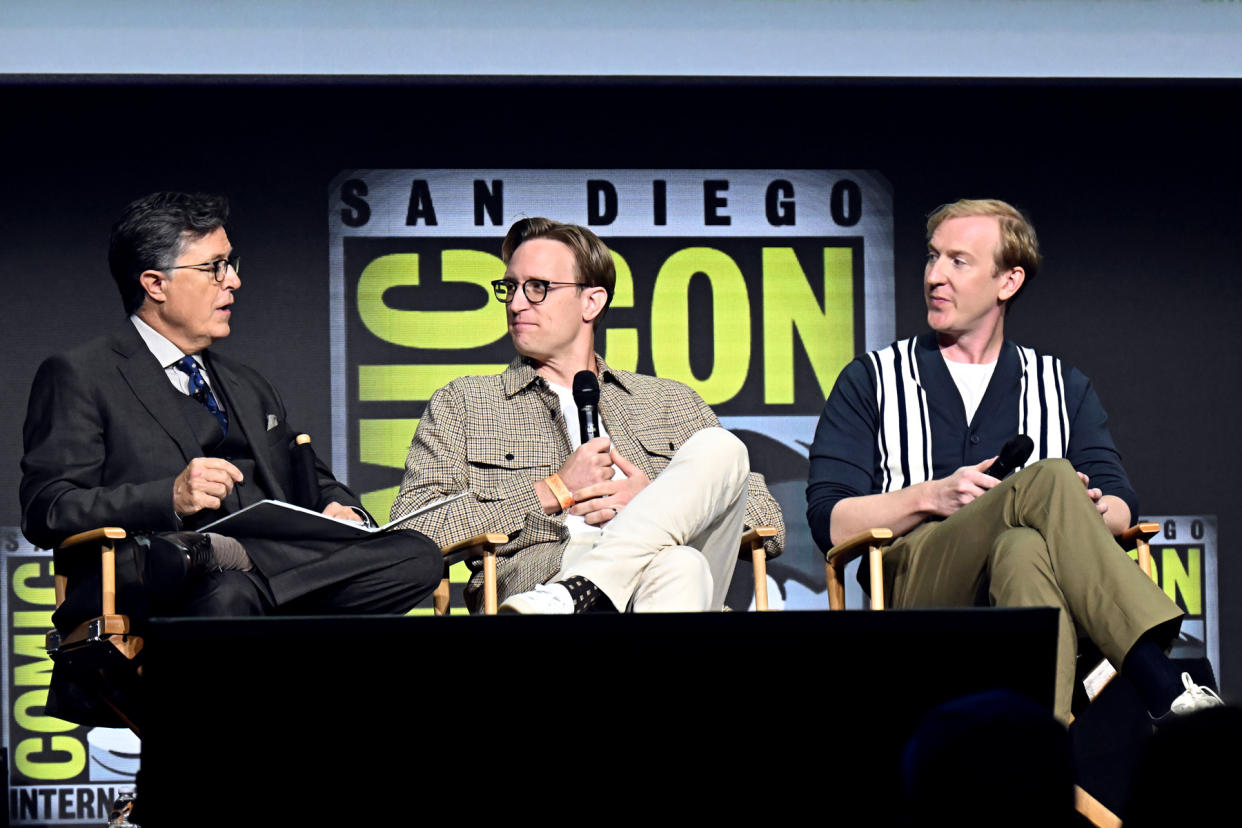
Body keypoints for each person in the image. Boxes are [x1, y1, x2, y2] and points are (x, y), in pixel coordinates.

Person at [20, 192, 441, 722]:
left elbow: (312, 479)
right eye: (215, 268)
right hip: (152, 582)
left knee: (417, 556)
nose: (234, 281)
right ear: (155, 284)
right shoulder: (82, 373)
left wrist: (343, 513)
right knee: (227, 597)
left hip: (259, 573)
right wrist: (169, 497)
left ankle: (227, 554)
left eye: (231, 264)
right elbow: (48, 508)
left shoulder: (247, 383)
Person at [806, 198, 1221, 724]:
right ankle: (1159, 680)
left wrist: (1084, 511)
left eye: (958, 261)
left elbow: (1120, 503)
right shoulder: (872, 378)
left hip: (1033, 585)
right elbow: (829, 520)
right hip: (914, 588)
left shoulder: (1060, 384)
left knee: (1024, 544)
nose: (935, 275)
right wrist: (930, 496)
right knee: (1048, 477)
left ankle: (1039, 750)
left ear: (1008, 281)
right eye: (932, 258)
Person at [390, 217, 784, 613]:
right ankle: (577, 588)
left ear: (591, 302)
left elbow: (768, 523)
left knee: (721, 447)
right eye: (510, 287)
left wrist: (652, 501)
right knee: (681, 565)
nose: (516, 302)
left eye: (537, 288)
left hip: (588, 593)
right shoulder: (466, 404)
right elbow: (412, 532)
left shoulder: (669, 401)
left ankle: (578, 591)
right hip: (547, 575)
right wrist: (552, 490)